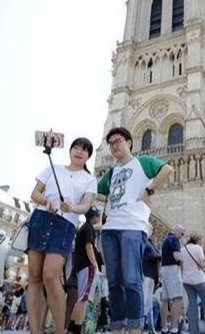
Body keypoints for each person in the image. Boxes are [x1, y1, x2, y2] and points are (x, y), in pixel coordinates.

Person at [97, 127, 174, 334]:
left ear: (129, 142)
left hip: (133, 226)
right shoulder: (112, 172)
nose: (114, 145)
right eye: (111, 142)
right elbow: (94, 190)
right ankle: (117, 326)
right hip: (110, 228)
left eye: (118, 141)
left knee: (131, 278)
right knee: (114, 281)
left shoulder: (144, 161)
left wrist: (149, 189)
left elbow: (167, 170)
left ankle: (135, 327)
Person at [28, 137, 97, 334]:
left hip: (65, 225)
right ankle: (35, 330)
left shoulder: (89, 179)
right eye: (76, 147)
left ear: (88, 155)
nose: (79, 151)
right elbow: (34, 193)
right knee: (34, 276)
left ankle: (60, 330)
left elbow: (86, 205)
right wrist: (47, 200)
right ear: (70, 150)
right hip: (41, 218)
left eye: (84, 149)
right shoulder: (53, 169)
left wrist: (72, 207)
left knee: (50, 275)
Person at [68, 206, 102, 334]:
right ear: (94, 216)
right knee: (84, 299)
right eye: (98, 215)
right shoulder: (89, 228)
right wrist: (96, 266)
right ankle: (77, 328)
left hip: (80, 267)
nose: (99, 217)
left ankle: (72, 328)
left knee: (81, 298)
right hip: (87, 267)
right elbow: (89, 248)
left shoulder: (83, 228)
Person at [180, 233, 205, 334]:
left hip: (186, 280)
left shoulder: (182, 249)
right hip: (198, 279)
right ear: (198, 241)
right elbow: (202, 264)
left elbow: (181, 266)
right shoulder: (198, 248)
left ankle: (193, 331)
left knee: (192, 303)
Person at [160, 226, 185, 334]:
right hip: (173, 269)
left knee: (165, 300)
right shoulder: (175, 240)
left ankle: (164, 327)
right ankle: (174, 328)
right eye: (182, 234)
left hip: (164, 269)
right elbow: (177, 256)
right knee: (177, 298)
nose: (181, 236)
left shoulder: (165, 240)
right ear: (177, 231)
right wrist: (183, 262)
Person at [142, 224, 161, 334]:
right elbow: (154, 256)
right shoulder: (143, 241)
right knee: (144, 302)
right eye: (150, 228)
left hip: (152, 276)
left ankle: (150, 327)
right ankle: (142, 326)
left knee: (149, 303)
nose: (152, 230)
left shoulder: (150, 242)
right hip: (146, 274)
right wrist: (159, 256)